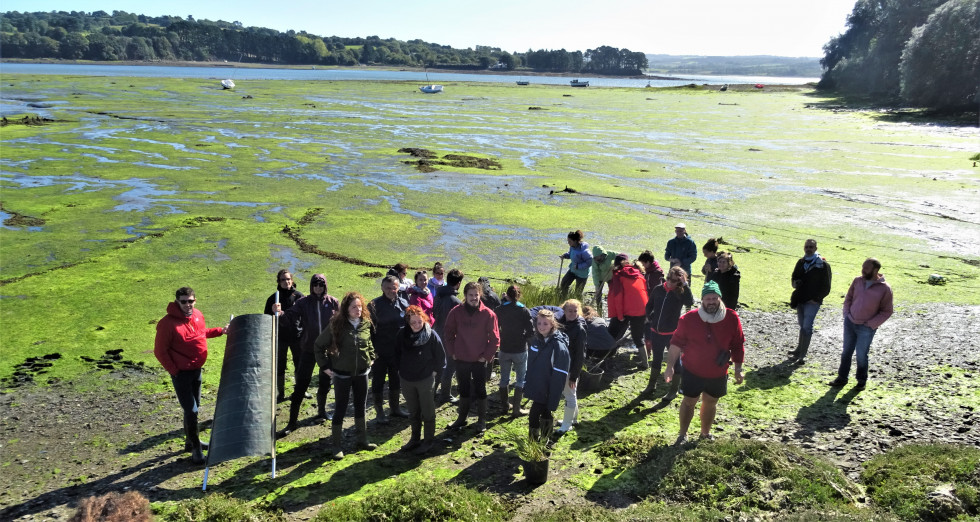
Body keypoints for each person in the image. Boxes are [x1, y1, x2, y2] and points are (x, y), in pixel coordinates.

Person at [664, 281, 745, 444]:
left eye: (715, 298)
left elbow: (738, 344)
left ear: (720, 298)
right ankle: (683, 434)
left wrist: (738, 368)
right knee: (688, 402)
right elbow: (675, 344)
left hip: (718, 371)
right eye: (708, 298)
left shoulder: (731, 317)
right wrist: (670, 366)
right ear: (702, 300)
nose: (711, 301)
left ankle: (705, 434)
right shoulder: (688, 319)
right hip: (692, 370)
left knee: (710, 402)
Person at [154, 286, 226, 465]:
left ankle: (190, 441)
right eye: (184, 301)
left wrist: (221, 331)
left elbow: (201, 334)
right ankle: (196, 448)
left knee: (195, 407)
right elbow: (160, 351)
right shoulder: (167, 324)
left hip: (196, 370)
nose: (187, 304)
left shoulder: (197, 315)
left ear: (195, 300)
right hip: (181, 374)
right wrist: (174, 371)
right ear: (177, 302)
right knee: (191, 410)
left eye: (190, 301)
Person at [275, 273, 340, 433]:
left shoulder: (333, 302)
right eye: (315, 285)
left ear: (325, 286)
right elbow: (289, 317)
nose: (318, 288)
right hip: (308, 350)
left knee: (325, 383)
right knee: (301, 386)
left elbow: (341, 324)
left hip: (327, 351)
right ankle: (292, 423)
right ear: (311, 286)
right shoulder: (303, 302)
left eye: (321, 285)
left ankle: (322, 411)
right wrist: (280, 313)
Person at [314, 292, 376, 460]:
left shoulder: (365, 323)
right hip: (341, 375)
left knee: (360, 405)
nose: (358, 309)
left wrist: (371, 358)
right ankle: (336, 445)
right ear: (346, 309)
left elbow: (369, 342)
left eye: (359, 306)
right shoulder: (336, 325)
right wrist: (325, 367)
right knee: (340, 408)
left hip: (362, 373)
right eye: (353, 307)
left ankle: (362, 439)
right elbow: (319, 345)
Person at [444, 282, 501, 433]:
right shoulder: (456, 312)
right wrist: (452, 352)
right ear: (465, 295)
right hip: (461, 358)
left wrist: (487, 356)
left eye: (476, 295)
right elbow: (448, 333)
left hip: (479, 360)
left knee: (481, 390)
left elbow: (495, 339)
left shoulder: (488, 314)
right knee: (463, 389)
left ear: (480, 295)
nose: (474, 298)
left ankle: (481, 421)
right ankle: (461, 418)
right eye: (471, 295)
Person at [828, 258, 893, 390]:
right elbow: (849, 298)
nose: (863, 270)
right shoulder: (857, 280)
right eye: (863, 267)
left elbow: (887, 311)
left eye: (866, 268)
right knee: (846, 351)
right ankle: (842, 378)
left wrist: (871, 324)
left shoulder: (885, 288)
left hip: (866, 328)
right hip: (850, 322)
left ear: (875, 270)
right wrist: (846, 314)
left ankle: (861, 381)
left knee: (862, 354)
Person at [395, 305, 446, 454]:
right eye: (413, 323)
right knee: (413, 411)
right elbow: (396, 354)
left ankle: (428, 441)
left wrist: (435, 373)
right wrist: (400, 371)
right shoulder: (401, 334)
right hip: (407, 379)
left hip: (425, 379)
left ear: (424, 319)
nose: (417, 325)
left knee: (428, 411)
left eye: (420, 322)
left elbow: (441, 357)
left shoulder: (431, 335)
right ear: (408, 323)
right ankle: (415, 439)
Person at [645, 266, 694, 399]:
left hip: (673, 335)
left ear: (679, 282)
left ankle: (673, 390)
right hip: (656, 332)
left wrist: (685, 284)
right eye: (668, 278)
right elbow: (649, 305)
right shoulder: (658, 289)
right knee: (657, 359)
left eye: (674, 281)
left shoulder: (680, 293)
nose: (670, 282)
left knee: (676, 362)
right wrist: (650, 317)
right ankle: (651, 385)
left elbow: (690, 302)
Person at [524, 309, 571, 442]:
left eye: (545, 324)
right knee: (545, 412)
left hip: (547, 389)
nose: (541, 327)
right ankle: (546, 440)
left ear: (552, 324)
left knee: (533, 415)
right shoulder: (537, 340)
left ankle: (533, 442)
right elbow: (532, 365)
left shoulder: (558, 345)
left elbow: (560, 374)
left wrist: (553, 395)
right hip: (537, 385)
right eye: (539, 323)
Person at [369, 275, 410, 423]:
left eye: (394, 288)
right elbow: (368, 330)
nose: (391, 290)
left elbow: (409, 327)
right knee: (378, 381)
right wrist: (372, 352)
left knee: (396, 380)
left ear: (398, 288)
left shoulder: (404, 303)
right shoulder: (374, 305)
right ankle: (379, 412)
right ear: (382, 288)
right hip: (380, 351)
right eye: (388, 288)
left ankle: (395, 408)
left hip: (398, 352)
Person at [789, 239, 832, 363]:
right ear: (804, 248)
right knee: (802, 325)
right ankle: (798, 349)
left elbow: (827, 286)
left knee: (807, 327)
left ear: (815, 249)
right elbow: (794, 276)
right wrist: (795, 283)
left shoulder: (823, 265)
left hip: (813, 302)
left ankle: (803, 355)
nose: (808, 249)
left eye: (811, 247)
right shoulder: (801, 262)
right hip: (801, 299)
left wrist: (817, 299)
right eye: (807, 247)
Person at [494, 285, 535, 417]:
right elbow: (530, 331)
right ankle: (517, 409)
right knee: (520, 379)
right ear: (519, 295)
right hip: (520, 349)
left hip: (504, 348)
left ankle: (505, 406)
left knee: (504, 379)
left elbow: (495, 327)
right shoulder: (524, 310)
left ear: (507, 295)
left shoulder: (500, 309)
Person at [263, 269, 304, 402]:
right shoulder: (273, 299)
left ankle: (300, 390)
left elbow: (305, 316)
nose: (286, 282)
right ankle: (281, 393)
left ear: (292, 280)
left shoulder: (299, 297)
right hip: (279, 337)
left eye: (288, 279)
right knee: (280, 364)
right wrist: (273, 311)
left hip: (297, 337)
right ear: (278, 282)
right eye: (283, 279)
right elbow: (266, 319)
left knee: (299, 364)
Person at [607, 253, 649, 368]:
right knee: (638, 337)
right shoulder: (638, 273)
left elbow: (618, 296)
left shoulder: (618, 275)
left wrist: (620, 315)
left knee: (614, 331)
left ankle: (606, 354)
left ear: (616, 264)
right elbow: (644, 291)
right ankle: (645, 364)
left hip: (629, 309)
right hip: (642, 309)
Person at [432, 268, 464, 403]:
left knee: (438, 366)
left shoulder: (437, 295)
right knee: (449, 366)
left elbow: (434, 313)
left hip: (437, 333)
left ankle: (432, 392)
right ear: (458, 283)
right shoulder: (456, 302)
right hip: (449, 338)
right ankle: (445, 395)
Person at [557, 299, 587, 434]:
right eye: (570, 311)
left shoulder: (579, 329)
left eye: (575, 311)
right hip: (561, 364)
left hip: (571, 367)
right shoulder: (560, 323)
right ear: (564, 310)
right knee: (570, 393)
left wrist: (574, 375)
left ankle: (566, 424)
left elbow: (581, 354)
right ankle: (573, 418)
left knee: (569, 394)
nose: (573, 314)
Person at [559, 230, 593, 300]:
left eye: (570, 241)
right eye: (568, 241)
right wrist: (565, 255)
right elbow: (571, 254)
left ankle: (577, 305)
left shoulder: (584, 251)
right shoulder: (572, 247)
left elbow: (590, 262)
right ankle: (564, 299)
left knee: (578, 292)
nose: (568, 243)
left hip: (582, 274)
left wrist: (579, 266)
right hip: (573, 270)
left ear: (575, 241)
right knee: (564, 283)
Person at [590, 244, 617, 312]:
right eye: (595, 258)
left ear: (601, 254)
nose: (597, 259)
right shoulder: (594, 261)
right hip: (600, 278)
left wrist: (616, 264)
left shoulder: (609, 254)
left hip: (610, 276)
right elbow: (595, 274)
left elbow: (622, 256)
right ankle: (599, 310)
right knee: (598, 294)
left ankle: (614, 308)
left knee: (613, 293)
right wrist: (596, 285)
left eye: (598, 257)